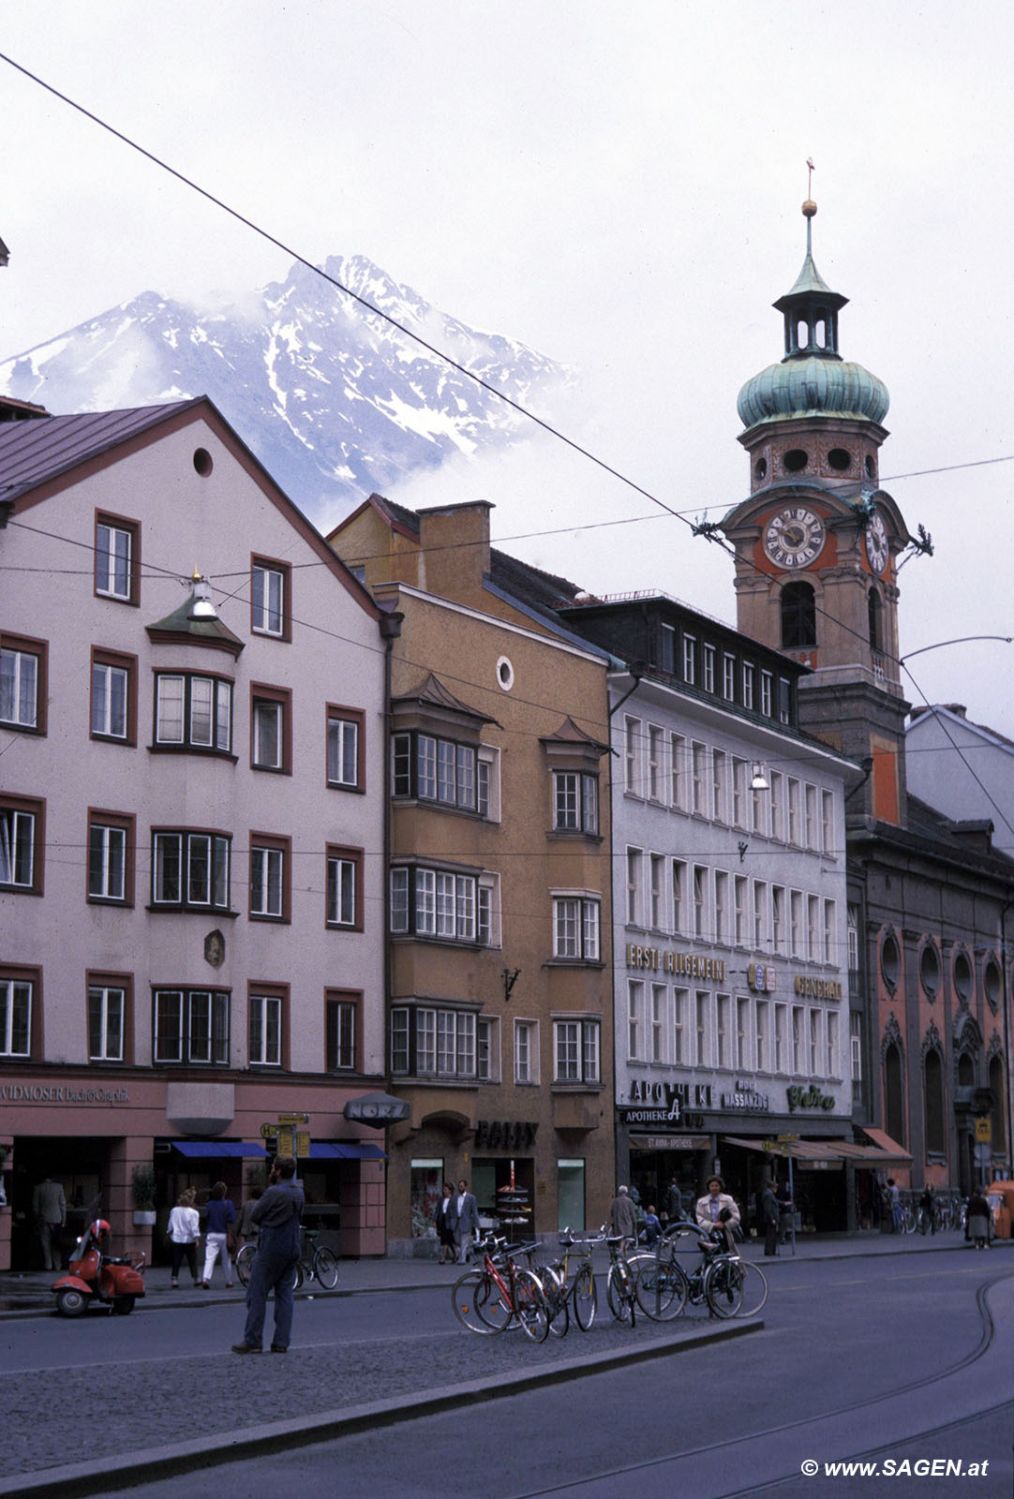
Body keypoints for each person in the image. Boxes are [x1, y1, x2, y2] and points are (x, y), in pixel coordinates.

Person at [233, 1158, 305, 1354]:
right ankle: (281, 1342)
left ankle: (253, 1339)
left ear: (279, 1171)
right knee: (285, 1295)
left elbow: (255, 1215)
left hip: (272, 1247)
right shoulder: (299, 1192)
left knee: (256, 1293)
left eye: (273, 1168)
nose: (271, 1170)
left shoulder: (273, 1192)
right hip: (292, 1247)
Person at [200, 1181, 237, 1288]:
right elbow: (232, 1219)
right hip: (224, 1234)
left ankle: (205, 1279)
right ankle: (229, 1281)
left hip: (211, 1233)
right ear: (224, 1192)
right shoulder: (228, 1203)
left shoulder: (209, 1204)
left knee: (209, 1258)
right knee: (226, 1259)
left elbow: (206, 1217)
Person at [167, 1188, 201, 1287]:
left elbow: (170, 1224)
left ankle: (174, 1279)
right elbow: (194, 1227)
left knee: (176, 1259)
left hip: (176, 1238)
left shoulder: (174, 1210)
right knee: (192, 1259)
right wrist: (196, 1238)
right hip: (189, 1239)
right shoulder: (194, 1213)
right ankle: (196, 1278)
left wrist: (169, 1232)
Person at [32, 1175, 66, 1271]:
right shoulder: (59, 1187)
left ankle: (48, 1265)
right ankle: (58, 1265)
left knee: (45, 1243)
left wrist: (37, 1219)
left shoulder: (38, 1188)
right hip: (57, 1219)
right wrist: (63, 1221)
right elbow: (63, 1205)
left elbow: (35, 1207)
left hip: (44, 1219)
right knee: (56, 1243)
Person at [452, 1178, 480, 1264]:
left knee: (464, 1241)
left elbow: (474, 1211)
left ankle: (462, 1260)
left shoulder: (471, 1198)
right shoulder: (455, 1197)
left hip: (466, 1221)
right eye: (459, 1186)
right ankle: (466, 1253)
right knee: (457, 1240)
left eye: (461, 1186)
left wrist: (476, 1223)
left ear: (465, 1187)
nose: (460, 1188)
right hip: (456, 1221)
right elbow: (452, 1210)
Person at [435, 1182, 456, 1264]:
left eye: (446, 1190)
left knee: (449, 1240)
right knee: (444, 1239)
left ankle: (453, 1255)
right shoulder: (441, 1199)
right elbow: (437, 1210)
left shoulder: (454, 1200)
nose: (444, 1191)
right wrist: (435, 1220)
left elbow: (455, 1211)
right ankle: (444, 1257)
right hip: (443, 1220)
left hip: (450, 1221)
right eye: (444, 1190)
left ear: (450, 1191)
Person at [759, 1180, 780, 1257]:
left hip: (772, 1218)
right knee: (770, 1235)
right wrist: (772, 1218)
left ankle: (771, 1250)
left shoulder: (770, 1194)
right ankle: (769, 1251)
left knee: (772, 1234)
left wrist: (783, 1203)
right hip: (771, 1218)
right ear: (772, 1187)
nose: (776, 1189)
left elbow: (775, 1202)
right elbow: (768, 1208)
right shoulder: (768, 1195)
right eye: (776, 1187)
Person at [775, 1180, 794, 1245]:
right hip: (784, 1210)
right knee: (784, 1225)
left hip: (784, 1210)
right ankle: (782, 1238)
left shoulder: (781, 1191)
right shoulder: (782, 1191)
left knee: (784, 1225)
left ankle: (784, 1237)